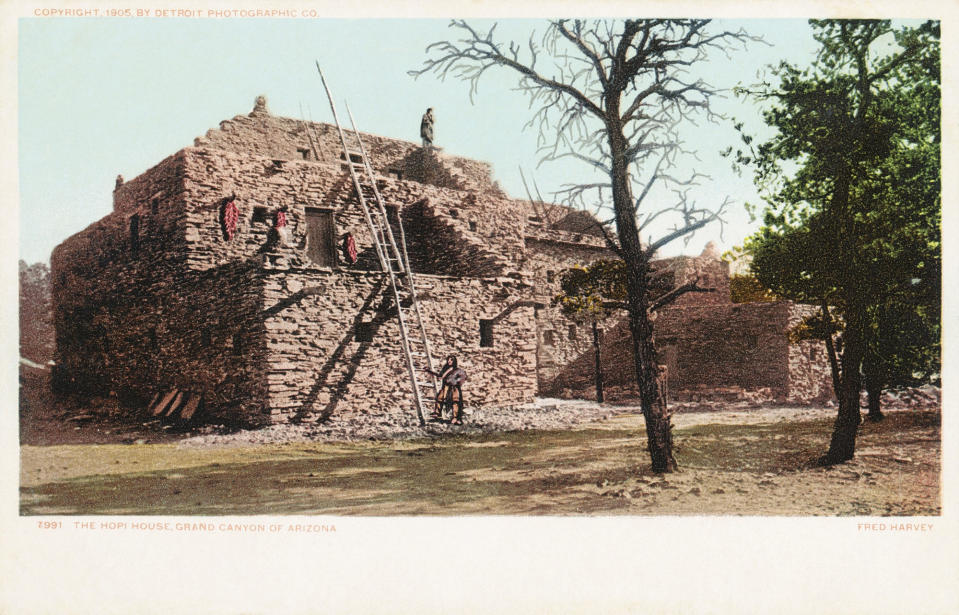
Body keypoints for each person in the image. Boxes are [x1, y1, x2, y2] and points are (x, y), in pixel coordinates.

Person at [428, 355, 466, 424]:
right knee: (439, 398)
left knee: (455, 402)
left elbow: (462, 377)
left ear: (454, 361)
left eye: (451, 360)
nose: (449, 361)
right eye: (448, 359)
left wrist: (453, 381)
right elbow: (440, 376)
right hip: (445, 387)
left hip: (454, 388)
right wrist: (429, 371)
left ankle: (456, 417)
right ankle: (437, 413)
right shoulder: (445, 369)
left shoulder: (458, 370)